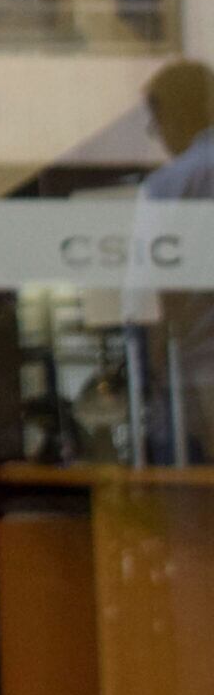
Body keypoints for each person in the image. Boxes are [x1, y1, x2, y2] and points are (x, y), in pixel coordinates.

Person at [137, 59, 214, 458]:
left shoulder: (168, 186)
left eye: (156, 123)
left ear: (170, 115)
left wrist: (152, 370)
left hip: (199, 368)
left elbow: (148, 294)